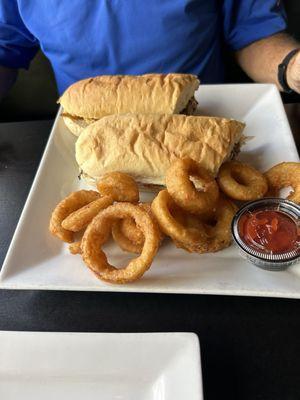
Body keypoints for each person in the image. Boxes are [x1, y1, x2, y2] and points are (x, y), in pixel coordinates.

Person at [0, 0, 300, 99]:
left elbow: (254, 33)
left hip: (203, 117)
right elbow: (5, 50)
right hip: (80, 137)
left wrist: (293, 65)